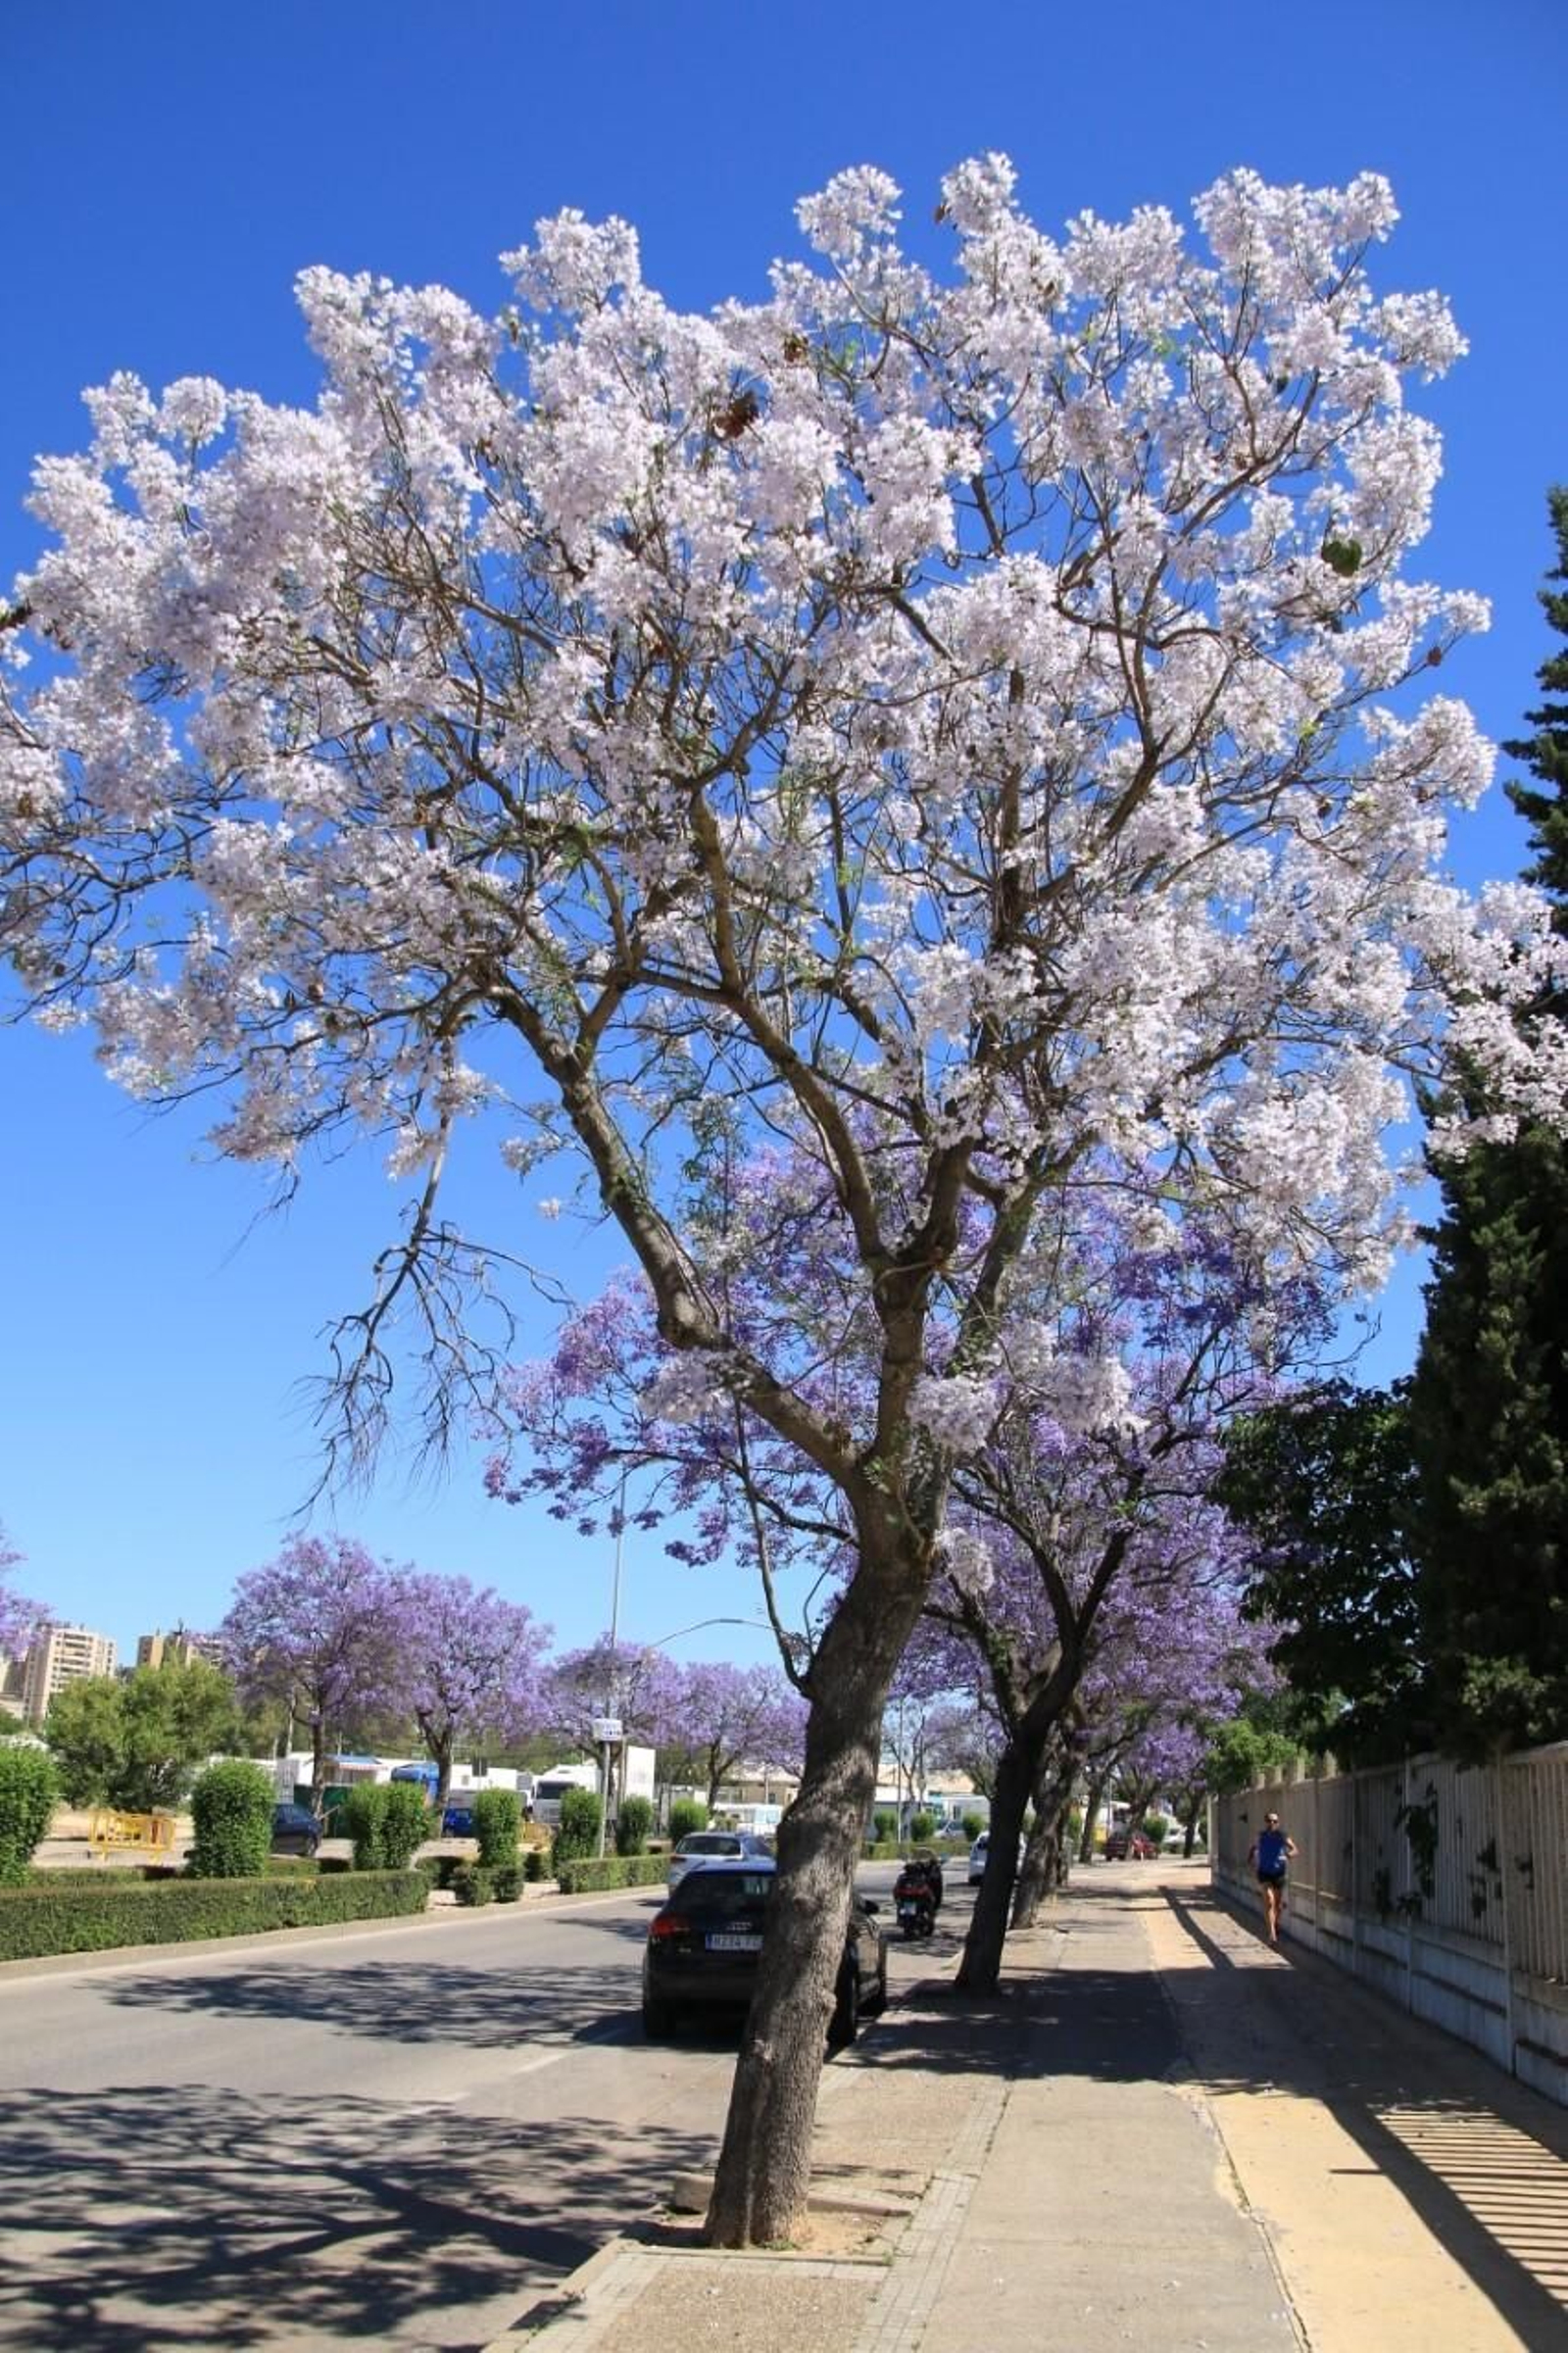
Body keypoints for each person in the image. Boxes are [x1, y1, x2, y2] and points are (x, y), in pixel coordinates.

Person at [1247, 1811, 1298, 1944]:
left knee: (1276, 1904)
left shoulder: (1282, 1836)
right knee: (1269, 1901)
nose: (1272, 1823)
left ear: (1278, 1823)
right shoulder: (1261, 1836)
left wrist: (1287, 1856)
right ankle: (1272, 1935)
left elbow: (1295, 1850)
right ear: (1266, 1822)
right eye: (1269, 1821)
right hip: (1264, 1872)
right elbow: (1253, 1848)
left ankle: (1276, 1922)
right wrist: (1251, 1859)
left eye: (1275, 1821)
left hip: (1279, 1873)